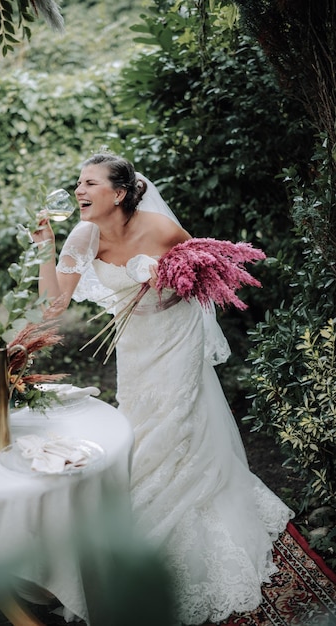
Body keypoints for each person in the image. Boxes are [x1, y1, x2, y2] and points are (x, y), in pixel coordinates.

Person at [32, 153, 293, 625]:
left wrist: (165, 284)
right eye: (77, 184)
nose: (78, 191)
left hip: (177, 336)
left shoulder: (162, 229)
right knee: (137, 423)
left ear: (119, 192)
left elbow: (200, 277)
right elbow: (53, 305)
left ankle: (184, 505)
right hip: (135, 343)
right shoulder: (82, 235)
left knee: (177, 423)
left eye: (89, 183)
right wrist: (46, 250)